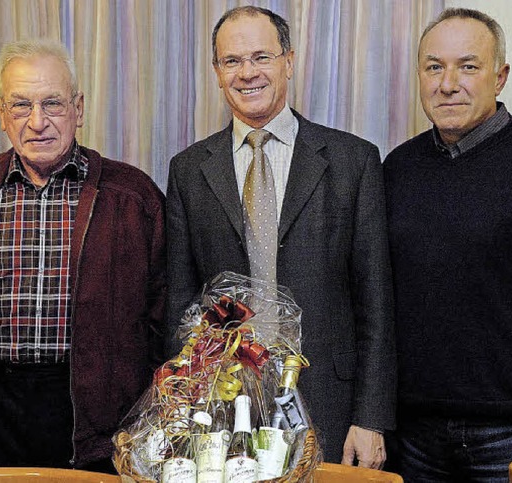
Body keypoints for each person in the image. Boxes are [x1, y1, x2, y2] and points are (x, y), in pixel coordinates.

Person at [166, 6, 395, 467]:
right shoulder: (189, 170)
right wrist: (182, 409)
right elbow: (180, 300)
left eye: (261, 56)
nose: (247, 73)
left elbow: (376, 303)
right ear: (216, 72)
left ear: (289, 61)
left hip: (328, 402)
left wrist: (370, 418)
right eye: (232, 61)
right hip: (222, 406)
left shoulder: (353, 161)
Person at [0, 39, 166, 471]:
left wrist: (150, 426)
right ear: (2, 114)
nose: (37, 122)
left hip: (104, 429)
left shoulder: (133, 197)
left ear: (79, 108)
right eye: (21, 105)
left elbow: (162, 325)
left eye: (52, 103)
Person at [384, 8, 512, 481]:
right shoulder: (396, 169)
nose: (448, 83)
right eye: (434, 66)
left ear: (500, 76)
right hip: (412, 437)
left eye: (468, 66)